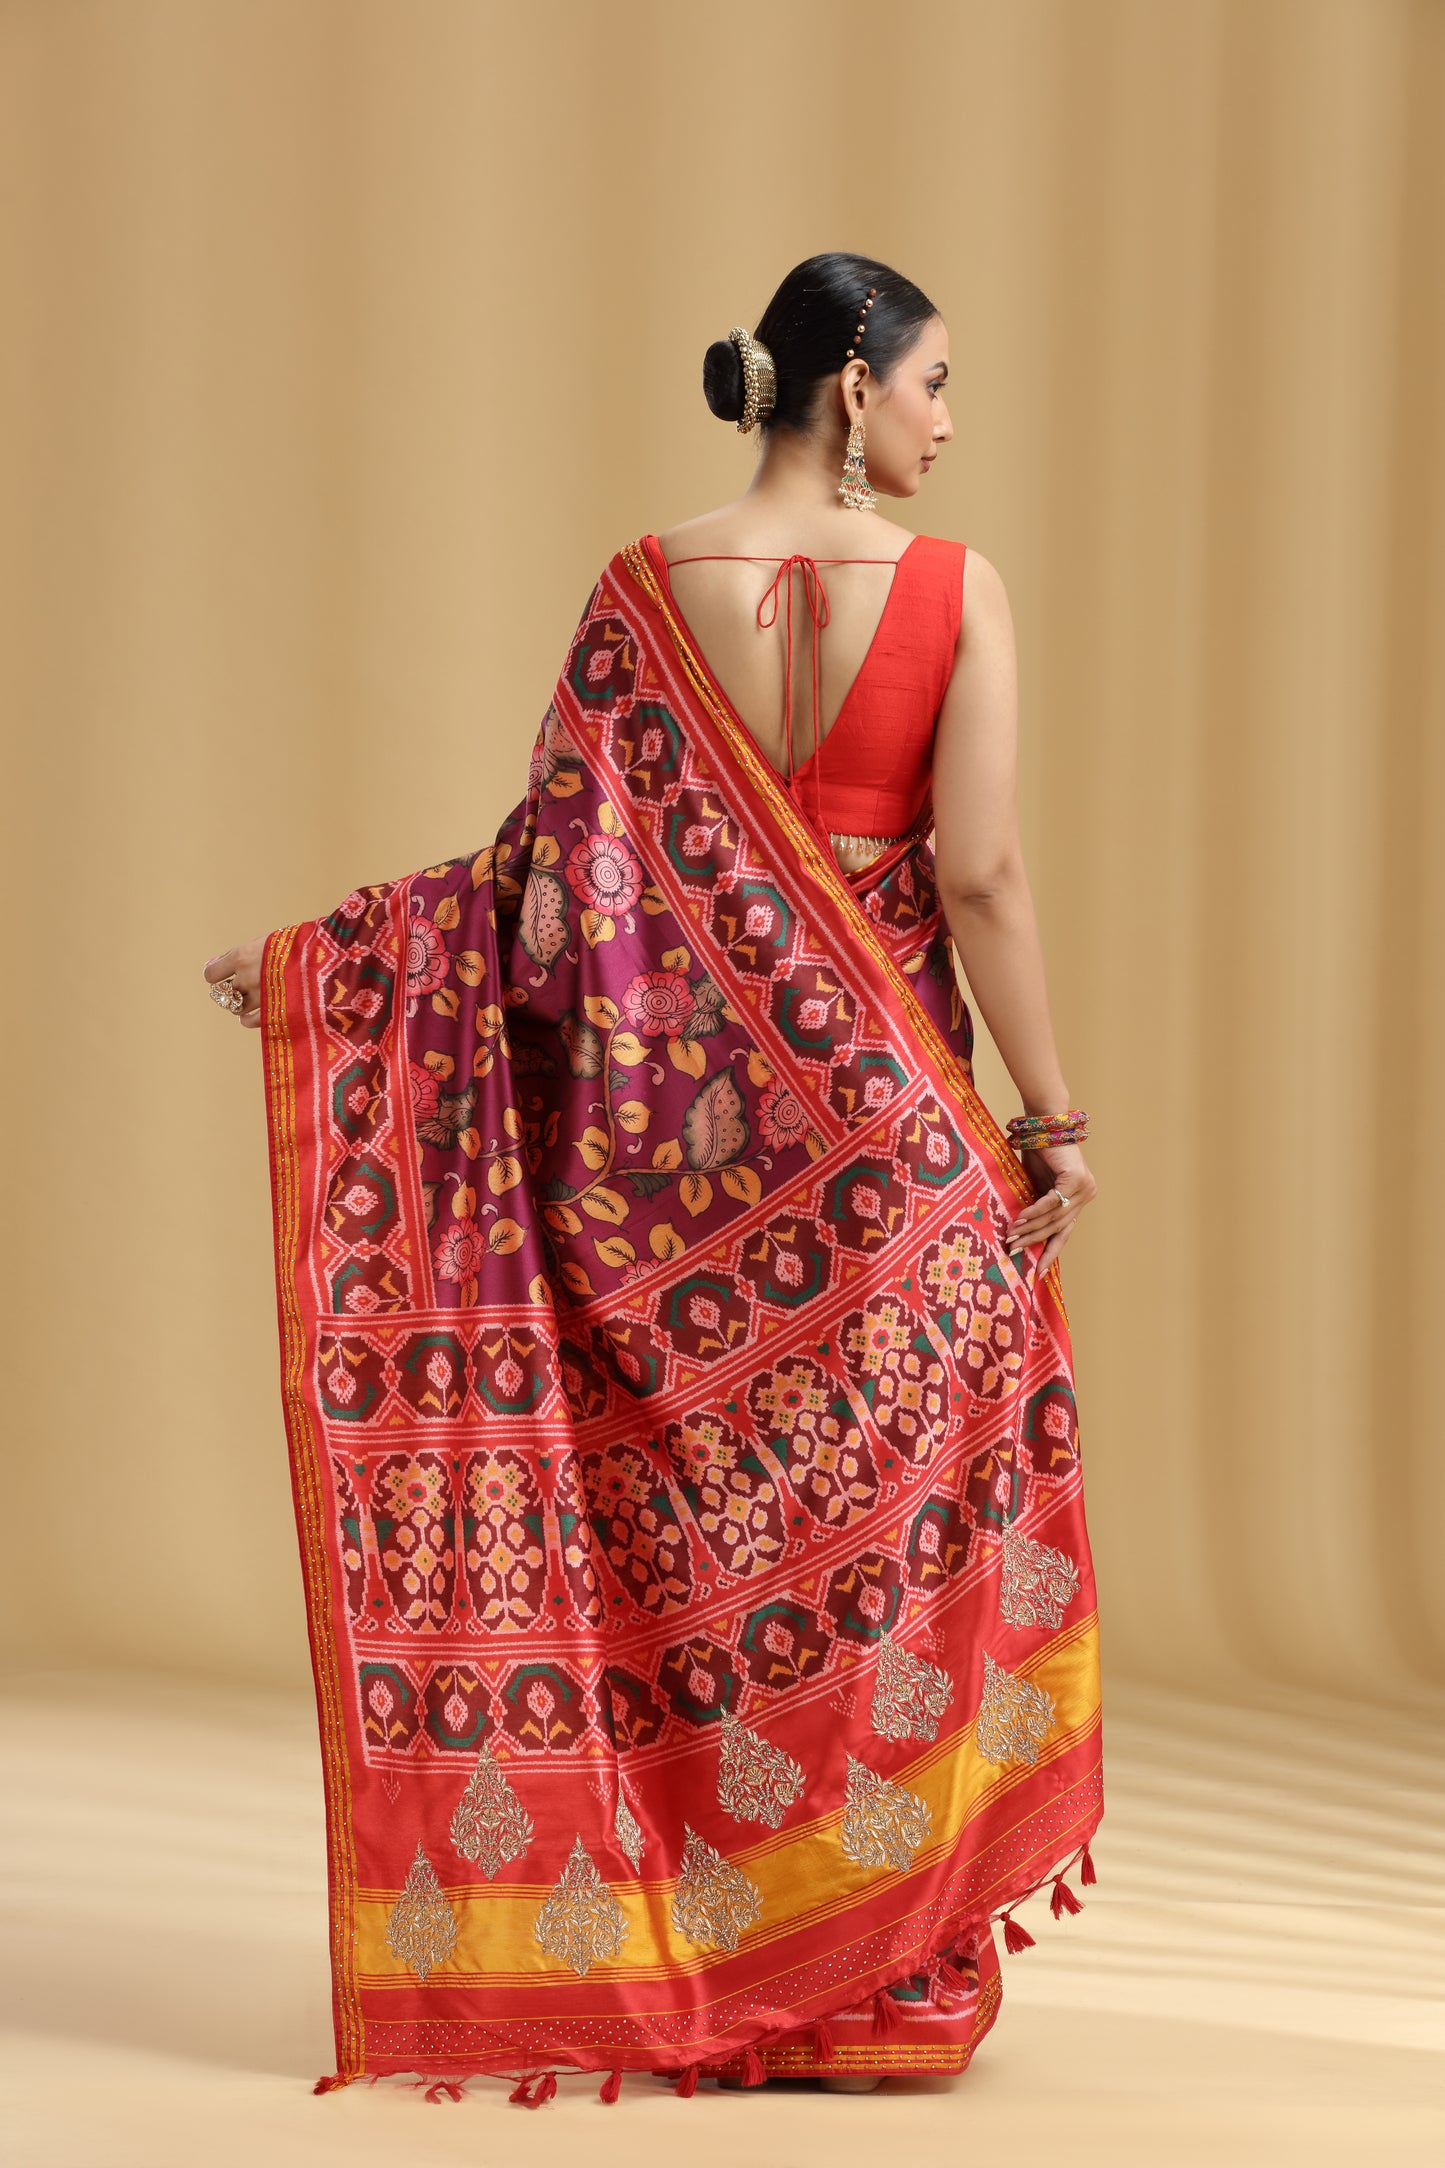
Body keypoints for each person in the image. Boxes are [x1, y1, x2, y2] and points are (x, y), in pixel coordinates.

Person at [204, 251, 1103, 2106]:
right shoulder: (951, 591)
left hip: (689, 1172)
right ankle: (884, 1990)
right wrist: (1055, 1116)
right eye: (937, 378)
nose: (950, 416)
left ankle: (733, 1945)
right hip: (894, 1137)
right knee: (897, 1538)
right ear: (849, 387)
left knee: (724, 1551)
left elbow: (547, 887)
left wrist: (346, 960)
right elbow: (984, 875)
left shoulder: (642, 593)